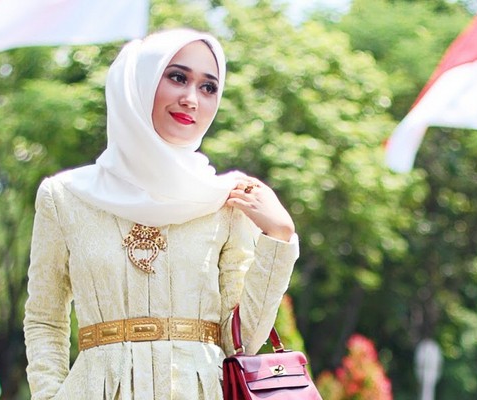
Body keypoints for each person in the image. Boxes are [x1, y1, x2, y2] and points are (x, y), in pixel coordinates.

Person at [23, 28, 299, 399]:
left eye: (208, 87)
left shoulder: (226, 201)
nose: (191, 99)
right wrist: (48, 396)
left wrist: (278, 238)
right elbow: (45, 318)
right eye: (177, 77)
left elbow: (241, 340)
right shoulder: (65, 197)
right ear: (140, 81)